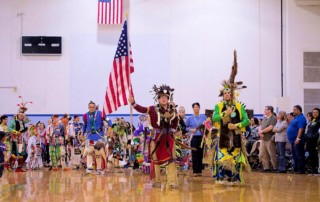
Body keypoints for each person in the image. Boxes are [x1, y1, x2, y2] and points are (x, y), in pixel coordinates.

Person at [129, 84, 179, 189]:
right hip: (156, 138)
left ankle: (172, 182)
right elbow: (141, 109)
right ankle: (157, 181)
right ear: (158, 99)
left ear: (168, 98)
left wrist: (174, 130)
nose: (164, 99)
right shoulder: (152, 109)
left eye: (166, 97)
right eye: (161, 97)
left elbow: (175, 122)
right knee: (156, 160)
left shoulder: (173, 109)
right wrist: (133, 103)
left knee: (171, 159)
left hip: (168, 138)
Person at [212, 50, 250, 185]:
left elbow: (246, 120)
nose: (227, 95)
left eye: (229, 93)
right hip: (223, 135)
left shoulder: (239, 106)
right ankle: (222, 177)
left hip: (236, 135)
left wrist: (237, 125)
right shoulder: (219, 105)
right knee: (222, 157)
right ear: (223, 95)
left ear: (233, 94)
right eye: (225, 93)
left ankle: (234, 178)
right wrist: (225, 114)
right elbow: (214, 119)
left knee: (235, 157)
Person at [83, 101, 107, 175]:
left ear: (95, 107)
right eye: (90, 107)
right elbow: (85, 125)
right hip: (89, 136)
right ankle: (89, 168)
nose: (92, 108)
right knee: (89, 152)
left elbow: (108, 120)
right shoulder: (85, 115)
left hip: (99, 135)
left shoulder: (100, 113)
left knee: (98, 153)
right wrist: (82, 133)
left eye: (93, 107)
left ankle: (99, 168)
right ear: (88, 107)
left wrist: (110, 127)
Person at [186, 102, 207, 177]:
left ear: (199, 108)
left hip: (201, 138)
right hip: (193, 138)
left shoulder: (203, 117)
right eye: (195, 107)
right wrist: (190, 130)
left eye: (197, 107)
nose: (196, 108)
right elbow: (185, 127)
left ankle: (199, 171)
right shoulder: (190, 118)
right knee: (194, 154)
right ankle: (195, 171)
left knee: (200, 154)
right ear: (193, 108)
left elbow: (207, 126)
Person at [287, 105, 307, 174]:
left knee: (299, 155)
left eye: (295, 110)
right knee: (295, 155)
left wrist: (298, 138)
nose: (293, 111)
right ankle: (296, 168)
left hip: (298, 140)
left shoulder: (301, 118)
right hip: (292, 140)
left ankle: (301, 170)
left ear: (299, 110)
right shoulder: (296, 118)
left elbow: (301, 129)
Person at [258, 106, 278, 172]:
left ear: (270, 110)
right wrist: (260, 132)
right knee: (263, 153)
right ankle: (266, 168)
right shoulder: (264, 118)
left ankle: (275, 167)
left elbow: (270, 127)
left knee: (272, 153)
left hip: (269, 138)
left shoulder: (273, 118)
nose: (264, 110)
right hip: (263, 138)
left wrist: (262, 131)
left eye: (266, 109)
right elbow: (260, 126)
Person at [305, 108, 320, 174]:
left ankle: (316, 169)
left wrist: (313, 137)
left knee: (315, 155)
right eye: (313, 112)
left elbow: (318, 132)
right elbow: (309, 130)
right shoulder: (313, 120)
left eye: (316, 112)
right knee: (311, 155)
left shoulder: (319, 121)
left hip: (315, 141)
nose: (315, 114)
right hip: (309, 141)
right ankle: (312, 167)